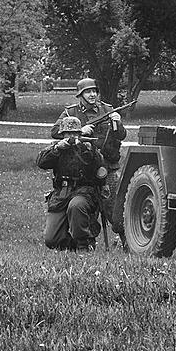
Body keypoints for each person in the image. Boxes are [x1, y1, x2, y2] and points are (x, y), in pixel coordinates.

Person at [51, 78, 126, 237]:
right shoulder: (70, 113)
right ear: (80, 95)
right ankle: (88, 241)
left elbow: (122, 135)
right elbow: (55, 131)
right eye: (88, 92)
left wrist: (118, 123)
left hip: (108, 167)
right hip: (83, 169)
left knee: (116, 207)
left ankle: (126, 239)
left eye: (94, 91)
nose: (92, 95)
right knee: (87, 207)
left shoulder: (108, 109)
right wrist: (79, 130)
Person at [38, 116, 107, 251]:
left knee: (76, 206)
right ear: (62, 135)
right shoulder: (57, 148)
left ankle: (83, 244)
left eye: (75, 133)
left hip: (84, 191)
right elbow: (41, 162)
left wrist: (85, 148)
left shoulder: (87, 148)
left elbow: (98, 166)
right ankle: (71, 245)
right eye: (68, 134)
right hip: (62, 193)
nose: (72, 136)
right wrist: (57, 149)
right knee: (51, 240)